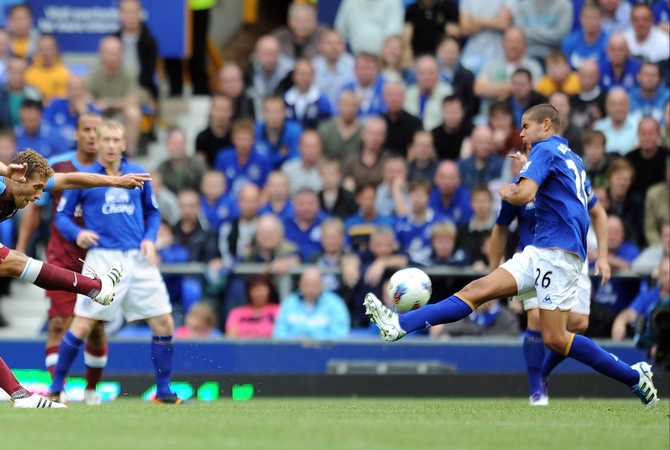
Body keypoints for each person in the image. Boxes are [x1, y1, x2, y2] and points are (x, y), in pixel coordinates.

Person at [364, 103, 659, 408]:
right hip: (540, 250)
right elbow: (567, 197)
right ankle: (398, 326)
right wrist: (529, 169)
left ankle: (633, 377)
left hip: (558, 254)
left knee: (556, 338)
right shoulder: (572, 158)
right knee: (475, 290)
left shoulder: (545, 150)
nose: (520, 133)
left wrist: (507, 191)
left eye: (525, 126)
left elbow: (524, 194)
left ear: (546, 124)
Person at [0, 147, 149, 408]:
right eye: (37, 187)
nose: (39, 196)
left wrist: (116, 181)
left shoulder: (23, 188)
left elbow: (69, 180)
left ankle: (19, 395)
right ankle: (96, 287)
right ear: (18, 177)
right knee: (18, 262)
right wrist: (5, 170)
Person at [49, 120, 180, 405]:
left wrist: (149, 238)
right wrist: (78, 232)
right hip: (103, 258)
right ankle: (57, 386)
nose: (110, 145)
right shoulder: (83, 177)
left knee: (164, 321)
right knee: (82, 325)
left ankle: (164, 391)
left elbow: (153, 214)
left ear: (123, 144)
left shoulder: (138, 174)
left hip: (137, 256)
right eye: (104, 139)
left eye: (115, 140)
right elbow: (61, 216)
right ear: (96, 142)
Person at [492, 149, 609, 404]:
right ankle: (536, 388)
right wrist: (494, 271)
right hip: (534, 258)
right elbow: (500, 228)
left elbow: (598, 212)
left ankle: (544, 372)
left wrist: (603, 256)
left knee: (578, 324)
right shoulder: (519, 191)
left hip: (570, 256)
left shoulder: (569, 179)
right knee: (536, 316)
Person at [14, 113, 110, 405]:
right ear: (77, 134)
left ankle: (92, 390)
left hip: (101, 259)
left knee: (95, 328)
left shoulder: (115, 168)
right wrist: (20, 246)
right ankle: (59, 389)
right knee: (58, 324)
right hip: (61, 257)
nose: (92, 135)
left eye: (98, 131)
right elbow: (35, 207)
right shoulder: (57, 167)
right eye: (87, 130)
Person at [273, 267, 350, 340]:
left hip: (325, 352)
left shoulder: (335, 304)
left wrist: (315, 343)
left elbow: (340, 335)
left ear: (322, 285)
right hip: (293, 352)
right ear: (300, 284)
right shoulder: (289, 303)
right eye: (307, 285)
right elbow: (279, 333)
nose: (310, 289)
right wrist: (297, 343)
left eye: (314, 285)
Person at [225, 274, 280, 338]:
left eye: (262, 290)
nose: (259, 294)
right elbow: (231, 337)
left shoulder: (278, 311)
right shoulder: (236, 312)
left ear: (269, 291)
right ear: (248, 291)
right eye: (255, 290)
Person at [155, 128, 207, 195]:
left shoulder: (199, 166)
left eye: (180, 143)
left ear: (185, 144)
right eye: (173, 143)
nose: (177, 147)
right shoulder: (161, 169)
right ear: (167, 145)